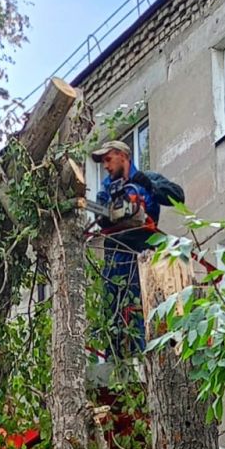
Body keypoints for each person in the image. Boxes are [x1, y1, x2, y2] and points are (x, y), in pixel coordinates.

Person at [90, 140, 184, 358]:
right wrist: (110, 212)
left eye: (108, 160)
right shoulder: (106, 190)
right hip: (116, 255)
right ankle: (115, 358)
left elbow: (178, 196)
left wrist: (150, 186)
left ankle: (144, 355)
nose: (106, 166)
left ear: (123, 156)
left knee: (142, 304)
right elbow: (101, 218)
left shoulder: (147, 179)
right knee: (113, 309)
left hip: (143, 252)